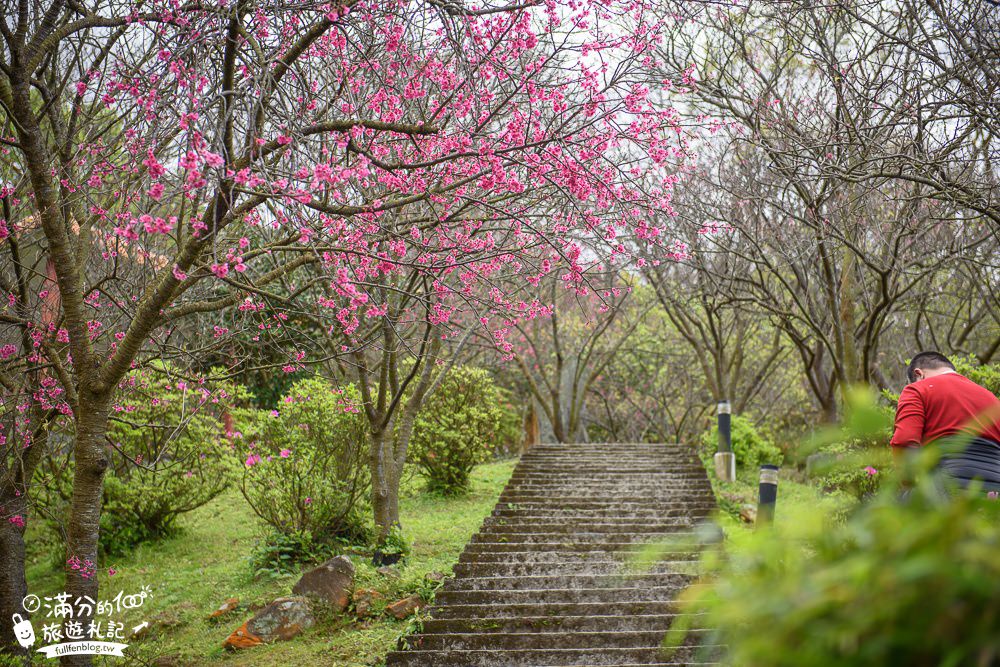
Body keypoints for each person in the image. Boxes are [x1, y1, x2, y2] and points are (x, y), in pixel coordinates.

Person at [890, 351, 1000, 491]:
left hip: (945, 488)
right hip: (994, 493)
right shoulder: (993, 400)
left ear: (919, 374)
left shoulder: (917, 389)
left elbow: (904, 442)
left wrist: (909, 486)